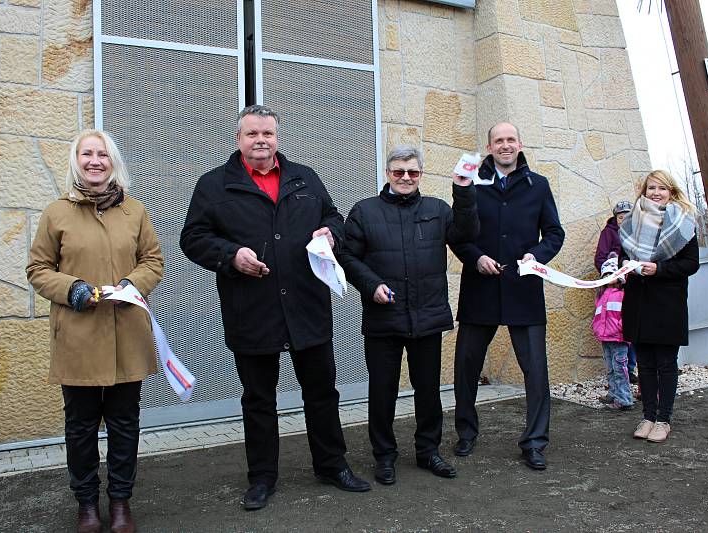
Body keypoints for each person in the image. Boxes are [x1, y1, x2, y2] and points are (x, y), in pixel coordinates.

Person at [180, 105, 370, 511]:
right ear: (238, 140)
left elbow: (334, 216)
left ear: (277, 138)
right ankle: (262, 478)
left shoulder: (304, 177)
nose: (261, 140)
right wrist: (231, 255)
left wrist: (330, 232)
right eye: (252, 134)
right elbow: (192, 238)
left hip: (307, 306)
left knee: (321, 394)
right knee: (259, 399)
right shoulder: (214, 185)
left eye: (267, 133)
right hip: (252, 310)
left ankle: (332, 465)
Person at [27, 130, 164, 533]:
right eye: (86, 154)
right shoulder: (57, 213)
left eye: (101, 154)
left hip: (127, 335)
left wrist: (132, 284)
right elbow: (38, 270)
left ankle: (120, 502)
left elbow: (153, 260)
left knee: (124, 424)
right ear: (76, 161)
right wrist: (72, 289)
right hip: (78, 336)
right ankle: (86, 504)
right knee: (81, 426)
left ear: (112, 162)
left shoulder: (135, 211)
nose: (94, 161)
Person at [339, 146, 479, 485]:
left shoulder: (437, 209)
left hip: (427, 317)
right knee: (382, 391)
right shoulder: (364, 211)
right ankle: (384, 457)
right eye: (399, 171)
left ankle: (428, 451)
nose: (405, 178)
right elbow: (346, 256)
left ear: (420, 175)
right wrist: (370, 284)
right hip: (383, 318)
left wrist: (463, 190)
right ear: (387, 173)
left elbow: (466, 235)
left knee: (428, 390)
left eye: (413, 172)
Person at [451, 122, 565, 470]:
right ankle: (466, 434)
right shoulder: (471, 182)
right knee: (466, 368)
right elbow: (457, 233)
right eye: (498, 140)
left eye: (510, 139)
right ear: (489, 147)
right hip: (480, 288)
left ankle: (534, 442)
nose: (505, 145)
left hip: (523, 289)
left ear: (520, 143)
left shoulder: (538, 185)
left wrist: (536, 256)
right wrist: (476, 258)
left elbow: (554, 233)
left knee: (536, 371)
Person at [619, 170, 699, 443]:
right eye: (651, 188)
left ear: (671, 192)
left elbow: (691, 263)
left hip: (667, 304)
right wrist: (622, 269)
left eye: (662, 188)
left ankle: (664, 419)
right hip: (638, 303)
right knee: (645, 364)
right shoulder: (630, 224)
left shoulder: (684, 224)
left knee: (666, 364)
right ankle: (647, 416)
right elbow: (622, 258)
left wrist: (660, 268)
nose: (655, 193)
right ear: (643, 192)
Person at [595, 200, 638, 386]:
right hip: (615, 286)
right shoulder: (608, 233)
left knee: (635, 328)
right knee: (618, 329)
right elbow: (600, 257)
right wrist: (609, 274)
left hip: (635, 283)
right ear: (615, 218)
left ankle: (633, 368)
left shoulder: (638, 233)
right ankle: (623, 371)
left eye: (627, 217)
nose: (624, 220)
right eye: (620, 217)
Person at [591, 256, 634, 411]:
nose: (609, 278)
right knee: (610, 367)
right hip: (605, 337)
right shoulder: (602, 294)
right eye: (606, 275)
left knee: (620, 368)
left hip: (618, 337)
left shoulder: (623, 294)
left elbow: (627, 314)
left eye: (612, 274)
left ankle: (624, 399)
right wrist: (596, 328)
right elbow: (599, 315)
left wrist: (621, 328)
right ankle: (613, 393)